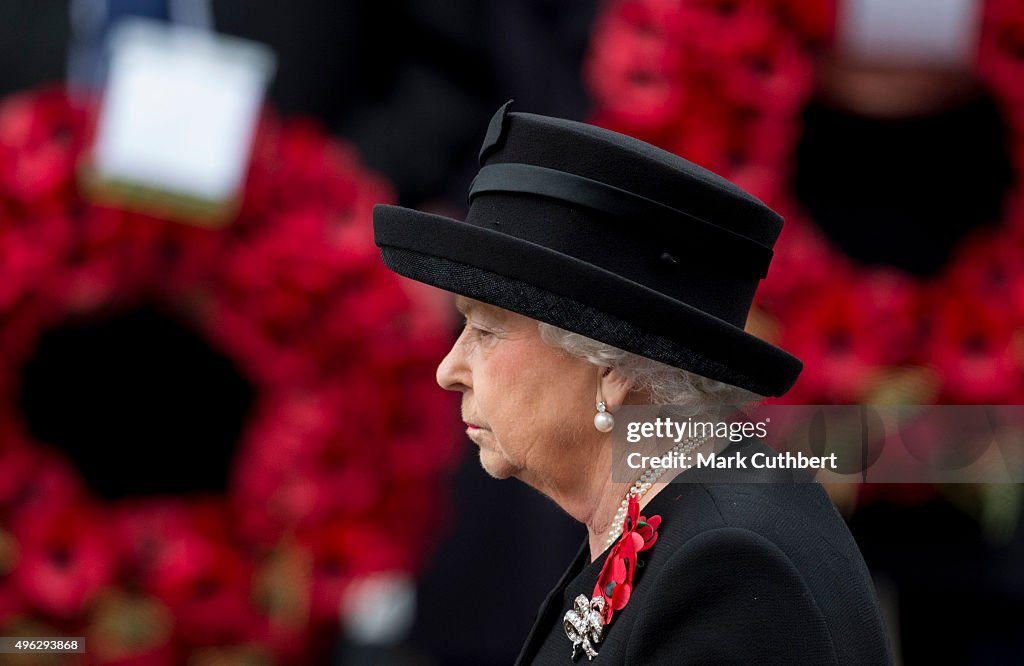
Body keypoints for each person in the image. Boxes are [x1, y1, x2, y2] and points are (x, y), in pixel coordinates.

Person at [373, 101, 891, 664]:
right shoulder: (667, 515)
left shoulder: (727, 566)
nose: (449, 370)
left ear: (612, 366)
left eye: (486, 330)